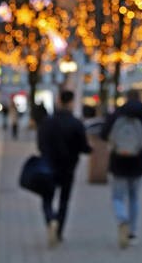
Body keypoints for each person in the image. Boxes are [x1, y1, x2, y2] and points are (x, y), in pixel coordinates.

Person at [101, 90, 142, 249]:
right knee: (134, 197)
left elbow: (104, 133)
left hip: (118, 161)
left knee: (118, 196)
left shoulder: (117, 113)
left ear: (126, 99)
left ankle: (122, 219)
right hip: (138, 161)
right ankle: (132, 232)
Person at [37, 91, 92, 247]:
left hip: (48, 165)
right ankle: (59, 230)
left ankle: (50, 219)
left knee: (47, 198)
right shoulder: (75, 123)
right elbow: (83, 146)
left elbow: (40, 144)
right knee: (64, 200)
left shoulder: (47, 122)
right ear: (71, 102)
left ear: (59, 100)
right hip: (68, 167)